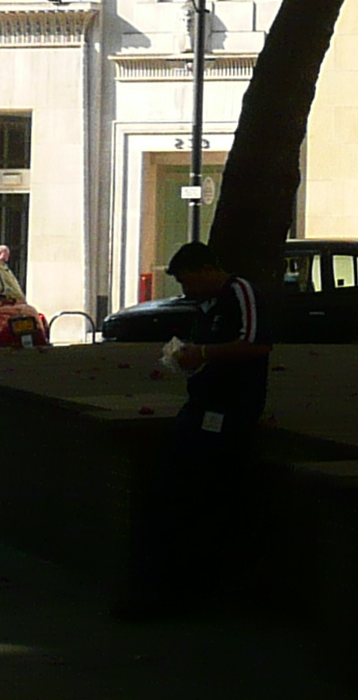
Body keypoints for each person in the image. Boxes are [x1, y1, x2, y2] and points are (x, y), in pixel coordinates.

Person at [115, 238, 271, 619]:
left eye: (188, 281)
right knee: (173, 492)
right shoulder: (205, 306)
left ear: (206, 271)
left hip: (230, 411)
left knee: (197, 495)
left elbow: (256, 344)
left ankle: (179, 591)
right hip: (202, 406)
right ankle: (160, 589)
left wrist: (202, 354)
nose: (186, 291)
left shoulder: (240, 293)